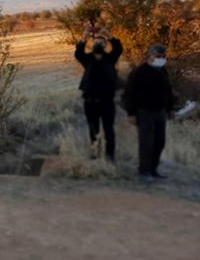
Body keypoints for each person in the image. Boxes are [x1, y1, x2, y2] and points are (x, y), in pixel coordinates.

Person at [123, 44, 176, 183]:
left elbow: (168, 91)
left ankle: (153, 170)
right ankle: (144, 171)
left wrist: (170, 109)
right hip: (144, 112)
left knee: (159, 142)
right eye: (158, 56)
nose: (161, 59)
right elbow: (129, 94)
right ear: (150, 56)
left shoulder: (162, 71)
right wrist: (131, 113)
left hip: (160, 112)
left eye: (164, 56)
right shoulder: (139, 72)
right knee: (146, 143)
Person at [74, 27, 123, 161]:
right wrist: (84, 37)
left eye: (102, 43)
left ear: (106, 45)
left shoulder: (111, 58)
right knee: (93, 130)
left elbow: (118, 48)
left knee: (108, 130)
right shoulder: (87, 59)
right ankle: (95, 154)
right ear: (92, 45)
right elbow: (78, 53)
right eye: (96, 42)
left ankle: (110, 156)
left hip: (107, 101)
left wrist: (108, 35)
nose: (99, 44)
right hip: (90, 101)